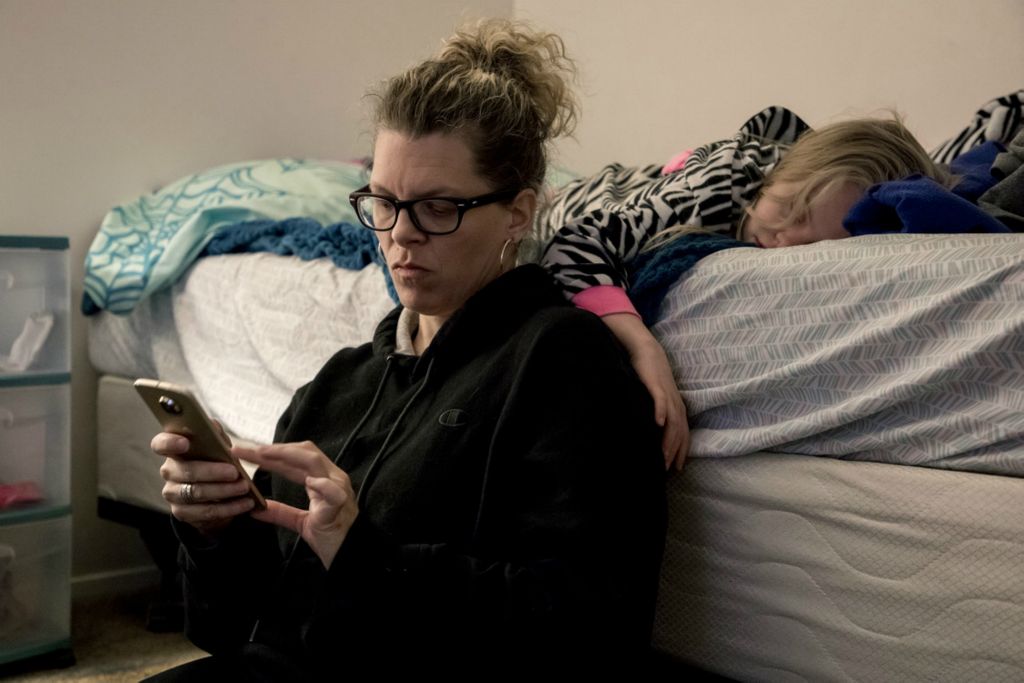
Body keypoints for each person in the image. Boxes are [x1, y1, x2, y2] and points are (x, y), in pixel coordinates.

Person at [145, 19, 666, 681]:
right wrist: (210, 526)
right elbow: (230, 627)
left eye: (438, 208)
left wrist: (358, 551)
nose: (400, 236)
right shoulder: (338, 383)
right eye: (385, 204)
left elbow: (586, 632)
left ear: (518, 212)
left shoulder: (565, 364)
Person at [541, 109, 955, 471]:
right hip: (570, 199)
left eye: (816, 244)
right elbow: (571, 244)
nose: (784, 239)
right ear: (781, 173)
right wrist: (643, 347)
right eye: (789, 210)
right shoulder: (725, 180)